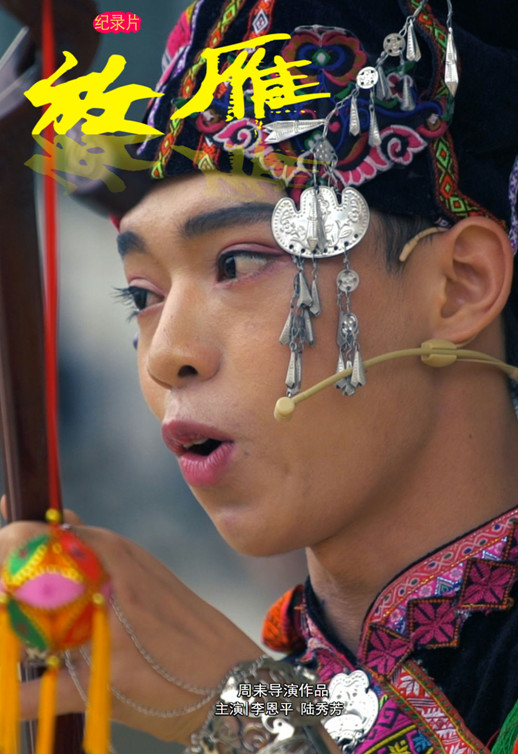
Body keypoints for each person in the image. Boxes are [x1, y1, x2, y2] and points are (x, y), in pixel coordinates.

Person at [2, 0, 518, 752]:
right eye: (142, 296)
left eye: (237, 263)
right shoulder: (293, 684)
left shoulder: (245, 696)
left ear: (460, 285)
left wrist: (242, 706)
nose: (164, 353)